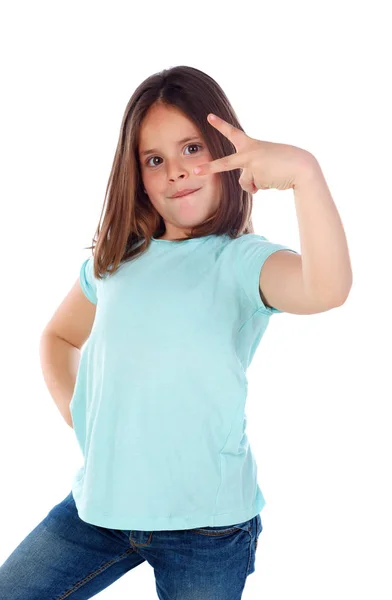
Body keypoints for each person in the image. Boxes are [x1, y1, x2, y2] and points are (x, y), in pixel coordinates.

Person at [0, 65, 352, 599]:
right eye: (155, 159)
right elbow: (58, 338)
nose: (176, 172)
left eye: (192, 149)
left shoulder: (240, 262)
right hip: (99, 508)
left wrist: (305, 173)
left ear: (226, 152)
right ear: (136, 174)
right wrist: (84, 419)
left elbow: (326, 289)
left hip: (205, 528)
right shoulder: (113, 263)